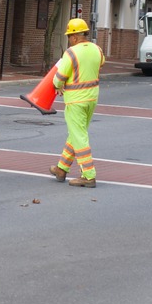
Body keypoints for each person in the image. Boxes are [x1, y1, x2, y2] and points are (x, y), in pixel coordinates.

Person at [50, 17, 104, 188]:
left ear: (74, 37)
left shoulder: (71, 53)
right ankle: (61, 169)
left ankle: (88, 176)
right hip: (92, 99)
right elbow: (101, 64)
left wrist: (58, 86)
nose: (69, 41)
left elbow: (59, 77)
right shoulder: (97, 50)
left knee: (79, 137)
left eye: (68, 37)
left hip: (75, 100)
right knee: (76, 134)